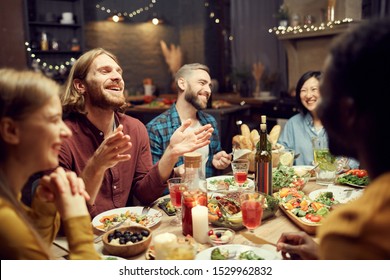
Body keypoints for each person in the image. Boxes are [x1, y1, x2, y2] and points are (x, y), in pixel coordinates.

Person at [276, 18, 390, 259]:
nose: (314, 102)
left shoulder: (351, 232)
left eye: (325, 94)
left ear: (348, 112)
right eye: (304, 91)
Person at [59, 48, 213, 218]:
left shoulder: (135, 129)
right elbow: (63, 215)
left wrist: (171, 153)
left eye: (119, 72)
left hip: (128, 233)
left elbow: (144, 194)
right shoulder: (62, 138)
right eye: (105, 71)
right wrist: (96, 165)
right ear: (80, 86)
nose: (117, 77)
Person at [0, 68, 100, 259]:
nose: (66, 132)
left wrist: (44, 211)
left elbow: (31, 255)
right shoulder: (4, 222)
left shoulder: (12, 196)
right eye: (54, 120)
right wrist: (77, 218)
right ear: (11, 131)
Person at [146, 63, 231, 183]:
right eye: (202, 83)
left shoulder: (210, 122)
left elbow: (214, 160)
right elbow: (150, 183)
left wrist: (217, 161)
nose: (208, 90)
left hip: (208, 198)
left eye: (209, 85)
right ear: (182, 84)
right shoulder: (156, 128)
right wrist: (175, 172)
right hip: (174, 199)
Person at [278, 70, 358, 169]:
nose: (308, 95)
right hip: (303, 183)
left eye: (314, 89)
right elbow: (282, 155)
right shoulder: (293, 124)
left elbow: (356, 156)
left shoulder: (342, 122)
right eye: (303, 90)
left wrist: (343, 167)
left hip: (336, 183)